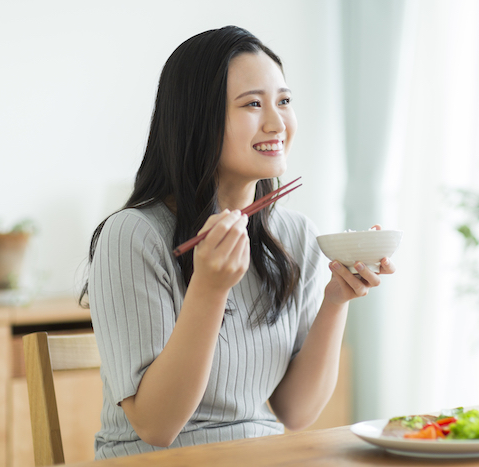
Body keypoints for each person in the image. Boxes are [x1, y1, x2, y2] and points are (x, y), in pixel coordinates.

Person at [81, 25, 396, 460]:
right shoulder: (132, 236)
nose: (276, 122)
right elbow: (156, 425)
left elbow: (296, 411)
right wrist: (209, 289)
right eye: (252, 104)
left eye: (283, 101)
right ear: (198, 118)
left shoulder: (295, 235)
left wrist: (336, 298)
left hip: (261, 454)